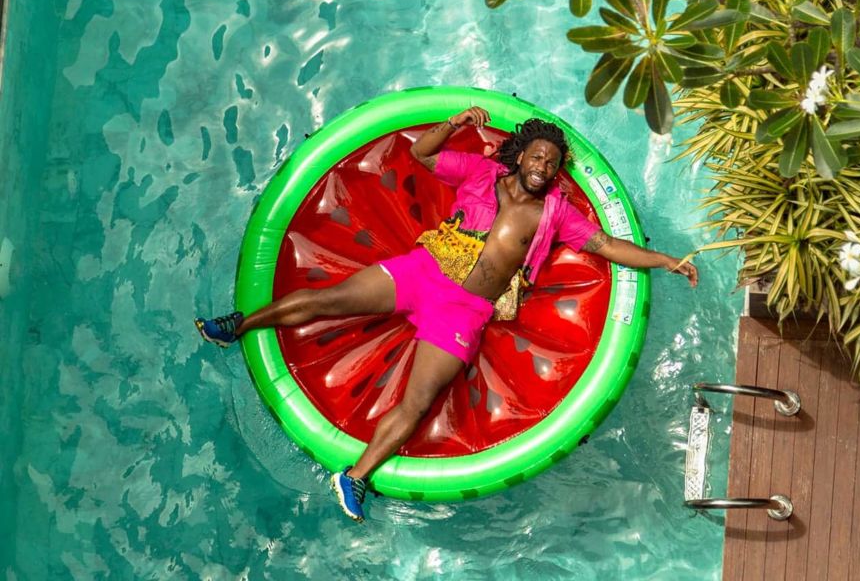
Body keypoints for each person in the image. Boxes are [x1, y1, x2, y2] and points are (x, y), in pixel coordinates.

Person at [195, 106, 698, 523]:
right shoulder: (482, 172)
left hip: (467, 310)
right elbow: (420, 154)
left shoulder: (555, 214)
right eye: (539, 155)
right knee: (330, 300)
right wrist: (456, 123)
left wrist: (667, 261)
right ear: (521, 154)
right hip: (425, 270)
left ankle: (354, 477)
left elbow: (608, 245)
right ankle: (238, 326)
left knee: (418, 402)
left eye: (554, 161)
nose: (545, 165)